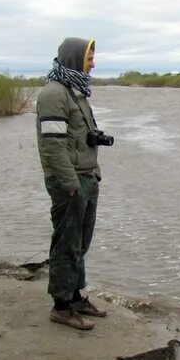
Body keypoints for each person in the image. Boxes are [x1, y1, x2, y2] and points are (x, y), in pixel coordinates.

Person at [36, 37, 107, 329]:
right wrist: (71, 185)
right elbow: (53, 147)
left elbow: (83, 139)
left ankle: (76, 297)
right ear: (75, 58)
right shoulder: (54, 93)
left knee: (80, 242)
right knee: (66, 243)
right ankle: (61, 306)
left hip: (86, 177)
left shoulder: (76, 91)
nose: (93, 63)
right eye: (89, 58)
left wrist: (95, 172)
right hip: (70, 182)